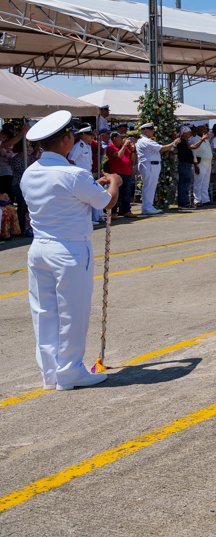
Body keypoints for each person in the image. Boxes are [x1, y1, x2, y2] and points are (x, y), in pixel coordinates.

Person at [22, 110, 122, 391]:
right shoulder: (73, 172)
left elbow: (65, 195)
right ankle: (70, 372)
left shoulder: (31, 172)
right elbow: (105, 203)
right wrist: (114, 182)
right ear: (67, 140)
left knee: (44, 313)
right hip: (70, 249)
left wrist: (94, 185)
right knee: (73, 312)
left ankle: (51, 373)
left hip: (40, 247)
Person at [135, 122, 180, 215]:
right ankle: (147, 207)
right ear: (145, 130)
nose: (153, 132)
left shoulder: (143, 140)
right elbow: (161, 148)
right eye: (151, 130)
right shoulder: (145, 140)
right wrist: (173, 143)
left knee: (149, 186)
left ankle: (148, 206)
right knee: (149, 187)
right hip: (149, 165)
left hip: (150, 165)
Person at [105, 131, 136, 217]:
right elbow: (118, 155)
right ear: (114, 139)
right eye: (120, 137)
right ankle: (114, 212)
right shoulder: (110, 148)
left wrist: (132, 149)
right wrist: (125, 145)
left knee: (126, 193)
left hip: (127, 173)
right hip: (117, 174)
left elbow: (133, 159)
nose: (122, 139)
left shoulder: (124, 147)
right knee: (115, 194)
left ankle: (126, 211)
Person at [176, 125, 196, 209]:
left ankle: (185, 202)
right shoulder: (182, 141)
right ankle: (183, 203)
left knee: (186, 185)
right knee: (184, 184)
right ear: (184, 133)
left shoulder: (185, 141)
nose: (190, 134)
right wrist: (202, 140)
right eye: (189, 133)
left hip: (187, 165)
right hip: (184, 165)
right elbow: (193, 147)